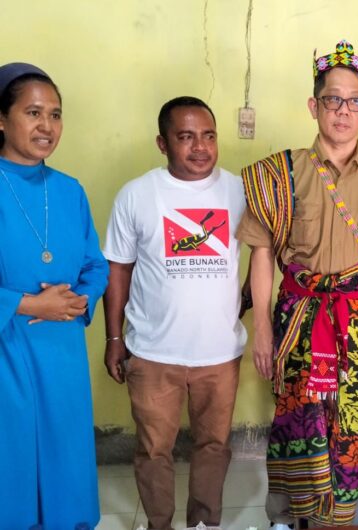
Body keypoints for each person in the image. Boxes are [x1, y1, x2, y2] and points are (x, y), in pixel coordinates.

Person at [236, 40, 358, 527]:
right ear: (313, 106)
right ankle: (287, 515)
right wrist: (262, 330)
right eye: (333, 99)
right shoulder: (278, 175)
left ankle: (336, 518)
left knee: (351, 426)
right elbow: (262, 253)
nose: (343, 110)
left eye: (354, 100)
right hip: (299, 317)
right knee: (296, 419)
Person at [102, 96, 247, 530]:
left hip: (220, 354)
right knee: (153, 450)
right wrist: (114, 339)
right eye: (186, 137)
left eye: (208, 136)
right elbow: (118, 269)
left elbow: (266, 254)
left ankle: (204, 523)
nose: (200, 147)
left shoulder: (239, 191)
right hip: (152, 353)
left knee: (214, 446)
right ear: (162, 144)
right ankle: (159, 524)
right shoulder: (136, 195)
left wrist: (245, 303)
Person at [0, 62, 109, 529]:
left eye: (56, 114)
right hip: (8, 349)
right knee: (12, 458)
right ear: (1, 119)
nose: (47, 126)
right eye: (33, 113)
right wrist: (27, 304)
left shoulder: (69, 190)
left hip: (62, 350)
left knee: (66, 457)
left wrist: (80, 299)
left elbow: (95, 265)